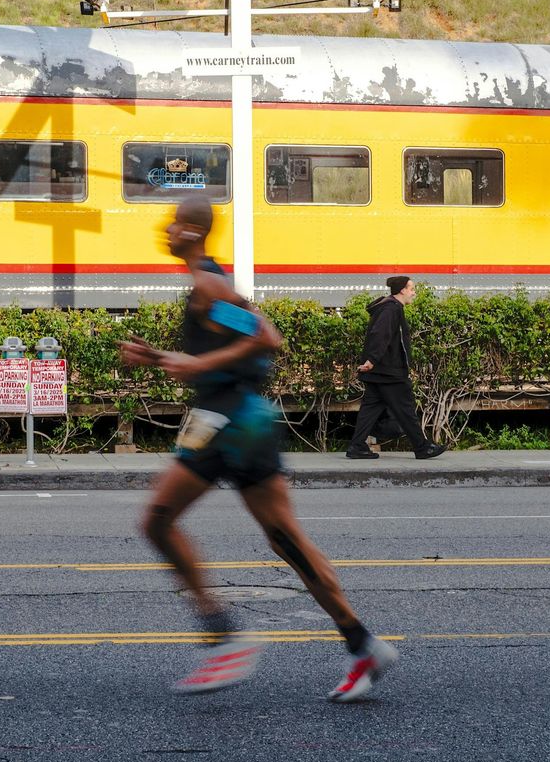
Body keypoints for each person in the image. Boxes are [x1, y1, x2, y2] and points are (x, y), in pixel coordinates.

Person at [119, 195, 398, 703]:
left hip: (233, 423)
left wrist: (196, 367)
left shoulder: (208, 284)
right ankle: (361, 644)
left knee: (166, 521)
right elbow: (218, 353)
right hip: (227, 420)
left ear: (192, 230)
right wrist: (159, 357)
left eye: (175, 222)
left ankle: (226, 638)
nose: (166, 228)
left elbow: (268, 336)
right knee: (280, 540)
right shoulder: (206, 283)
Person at [345, 275, 446, 460]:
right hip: (389, 372)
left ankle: (357, 446)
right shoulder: (390, 309)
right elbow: (380, 335)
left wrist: (372, 362)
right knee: (406, 409)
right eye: (412, 289)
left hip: (380, 372)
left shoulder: (390, 307)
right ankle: (422, 447)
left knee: (370, 409)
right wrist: (372, 360)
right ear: (402, 290)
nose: (414, 293)